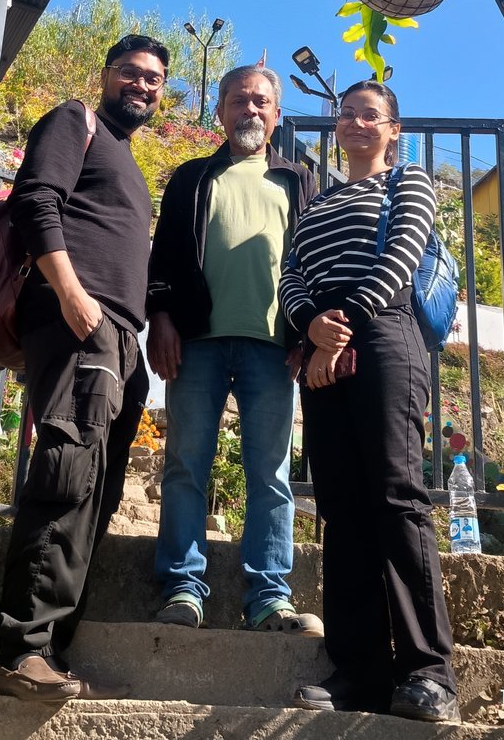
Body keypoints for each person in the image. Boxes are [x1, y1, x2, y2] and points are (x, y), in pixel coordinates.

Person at [0, 34, 169, 703]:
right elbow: (36, 201)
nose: (141, 85)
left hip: (118, 337)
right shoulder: (74, 120)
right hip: (79, 321)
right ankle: (20, 649)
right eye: (130, 72)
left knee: (97, 490)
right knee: (67, 475)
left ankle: (52, 648)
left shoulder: (124, 157)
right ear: (105, 74)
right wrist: (71, 295)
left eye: (154, 79)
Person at [278, 80, 460, 724]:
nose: (357, 122)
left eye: (371, 115)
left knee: (396, 495)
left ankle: (428, 673)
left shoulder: (408, 183)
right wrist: (311, 327)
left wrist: (340, 327)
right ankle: (358, 672)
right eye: (348, 113)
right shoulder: (318, 203)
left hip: (383, 334)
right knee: (342, 507)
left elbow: (401, 257)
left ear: (393, 130)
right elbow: (291, 273)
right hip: (322, 344)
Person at [146, 64, 322, 635]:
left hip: (273, 349)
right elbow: (163, 256)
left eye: (261, 101)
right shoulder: (191, 178)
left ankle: (269, 596)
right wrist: (161, 318)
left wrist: (304, 334)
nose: (250, 109)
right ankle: (182, 588)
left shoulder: (299, 181)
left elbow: (313, 263)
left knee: (270, 473)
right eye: (239, 100)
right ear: (220, 110)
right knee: (185, 466)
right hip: (195, 342)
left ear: (276, 114)